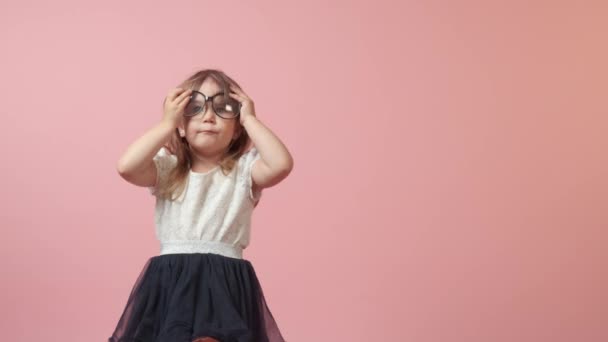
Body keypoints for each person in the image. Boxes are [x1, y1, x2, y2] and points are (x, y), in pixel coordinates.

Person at [109, 69, 292, 342]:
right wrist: (166, 124)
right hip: (172, 280)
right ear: (181, 126)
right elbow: (126, 167)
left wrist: (251, 118)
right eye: (195, 108)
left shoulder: (244, 171)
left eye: (223, 108)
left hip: (224, 283)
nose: (208, 116)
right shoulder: (167, 168)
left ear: (236, 128)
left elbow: (281, 164)